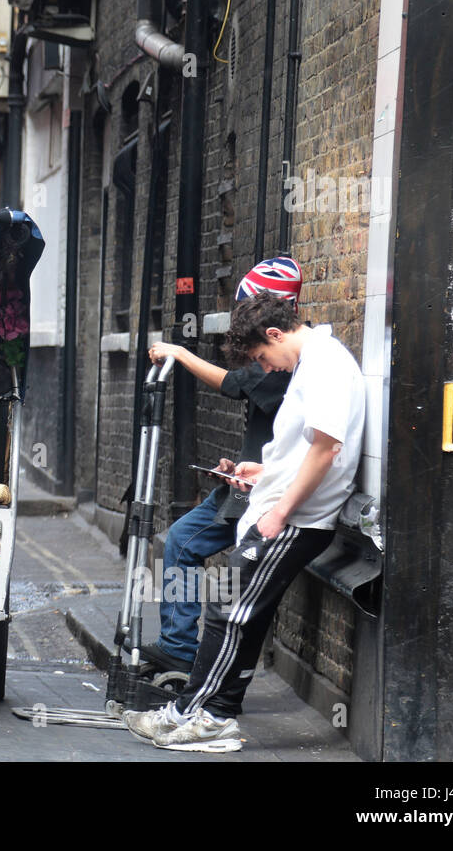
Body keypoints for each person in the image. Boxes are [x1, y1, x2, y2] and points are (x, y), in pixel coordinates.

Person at [124, 289, 365, 752]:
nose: (266, 367)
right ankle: (204, 714)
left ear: (275, 334)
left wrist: (279, 511)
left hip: (295, 521)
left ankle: (202, 717)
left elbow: (326, 450)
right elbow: (304, 449)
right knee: (241, 616)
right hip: (283, 512)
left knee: (226, 611)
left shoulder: (325, 367)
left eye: (261, 356)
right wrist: (262, 473)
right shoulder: (311, 364)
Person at [138, 258, 300, 675]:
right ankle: (182, 646)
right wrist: (238, 463)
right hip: (248, 483)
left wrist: (179, 353)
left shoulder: (288, 365)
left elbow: (231, 384)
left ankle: (183, 649)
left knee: (185, 545)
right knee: (182, 542)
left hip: (266, 494)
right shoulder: (282, 357)